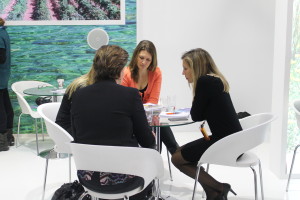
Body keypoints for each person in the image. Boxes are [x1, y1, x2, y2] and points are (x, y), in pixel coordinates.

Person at [58, 45, 155, 200]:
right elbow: (147, 141)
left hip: (88, 178)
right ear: (119, 70)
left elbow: (77, 136)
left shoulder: (78, 95)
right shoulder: (130, 95)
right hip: (125, 180)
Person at [171, 48, 242, 200]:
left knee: (177, 159)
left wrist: (197, 97)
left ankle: (220, 187)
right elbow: (202, 114)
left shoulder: (205, 81)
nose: (183, 73)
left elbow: (196, 115)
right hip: (231, 139)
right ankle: (213, 192)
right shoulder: (214, 79)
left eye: (185, 68)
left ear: (196, 67)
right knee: (178, 153)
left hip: (227, 142)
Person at [121, 40, 179, 154]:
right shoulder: (126, 73)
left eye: (148, 60)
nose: (143, 62)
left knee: (160, 124)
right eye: (141, 58)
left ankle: (172, 153)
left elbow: (153, 100)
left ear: (152, 60)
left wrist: (150, 115)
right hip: (132, 117)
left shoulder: (156, 72)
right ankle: (176, 154)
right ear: (136, 55)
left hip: (149, 115)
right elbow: (125, 102)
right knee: (157, 126)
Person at [0, 17, 14, 151]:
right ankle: (9, 137)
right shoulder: (3, 32)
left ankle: (1, 142)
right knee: (6, 106)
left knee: (1, 110)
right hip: (3, 76)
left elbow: (1, 57)